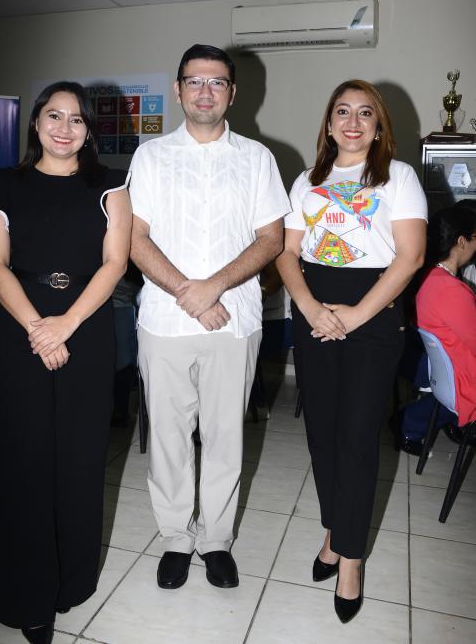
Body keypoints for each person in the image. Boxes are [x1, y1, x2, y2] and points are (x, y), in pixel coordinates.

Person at [128, 44, 290, 590]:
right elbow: (134, 235)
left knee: (225, 438)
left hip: (234, 320)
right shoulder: (149, 157)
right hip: (164, 321)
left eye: (216, 82)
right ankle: (177, 537)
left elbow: (272, 239)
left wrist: (214, 287)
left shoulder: (257, 158)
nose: (204, 92)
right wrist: (185, 291)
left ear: (232, 93)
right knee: (169, 438)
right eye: (194, 82)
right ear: (178, 90)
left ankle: (216, 540)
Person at [0, 81, 131, 643]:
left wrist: (64, 325)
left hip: (85, 334)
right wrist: (37, 329)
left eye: (76, 120)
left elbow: (114, 263)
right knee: (23, 461)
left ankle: (71, 583)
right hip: (19, 334)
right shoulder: (4, 184)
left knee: (77, 460)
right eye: (53, 116)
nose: (64, 128)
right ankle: (28, 596)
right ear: (36, 123)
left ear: (89, 130)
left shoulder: (111, 185)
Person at [276, 80, 427, 623]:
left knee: (358, 440)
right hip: (314, 309)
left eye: (366, 113)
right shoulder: (306, 182)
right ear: (329, 122)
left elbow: (408, 258)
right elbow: (289, 253)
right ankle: (334, 535)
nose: (354, 122)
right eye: (343, 111)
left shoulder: (398, 177)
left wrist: (355, 317)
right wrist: (311, 308)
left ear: (379, 124)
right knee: (322, 433)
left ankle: (351, 561)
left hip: (374, 315)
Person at [416, 206, 476, 428]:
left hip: (449, 378)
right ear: (461, 241)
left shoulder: (432, 278)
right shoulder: (450, 289)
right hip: (466, 383)